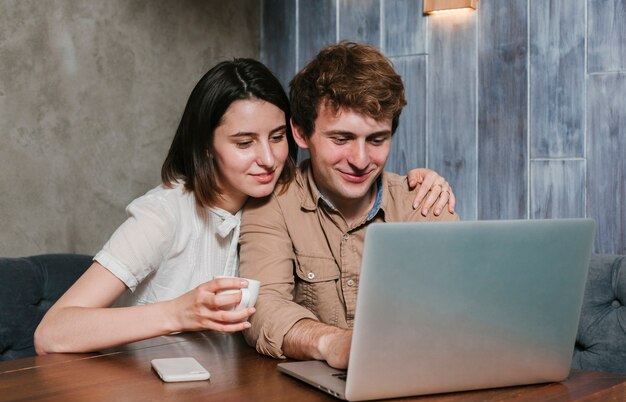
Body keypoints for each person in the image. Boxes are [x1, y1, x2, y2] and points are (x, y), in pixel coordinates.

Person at [35, 57, 455, 354]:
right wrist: (179, 311)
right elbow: (53, 332)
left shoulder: (278, 194)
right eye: (243, 143)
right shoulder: (164, 216)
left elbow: (353, 166)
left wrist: (422, 179)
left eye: (276, 138)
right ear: (206, 145)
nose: (269, 159)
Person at [239, 42, 460, 369]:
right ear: (300, 133)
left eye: (376, 140)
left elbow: (461, 311)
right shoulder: (272, 205)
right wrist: (332, 342)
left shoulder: (424, 202)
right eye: (341, 139)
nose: (360, 161)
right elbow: (264, 307)